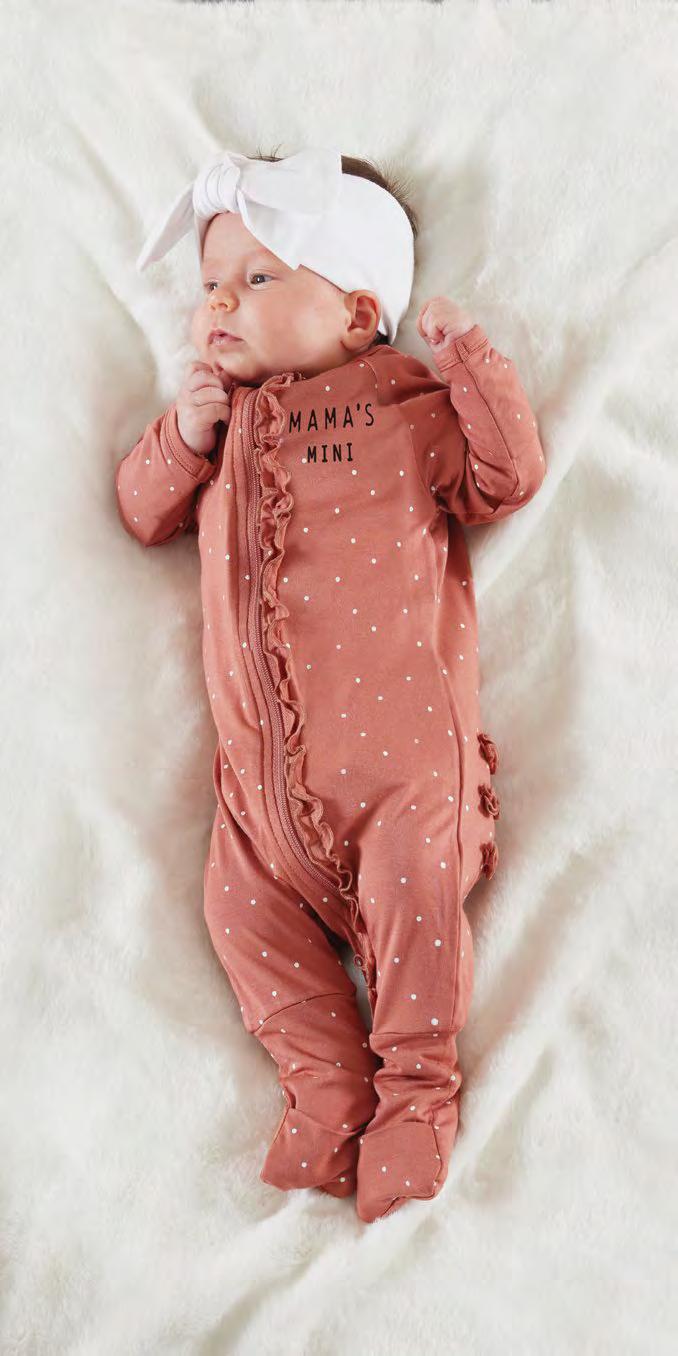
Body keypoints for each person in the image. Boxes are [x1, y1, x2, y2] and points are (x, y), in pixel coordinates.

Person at [115, 145, 546, 1223]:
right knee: (233, 910)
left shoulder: (403, 403)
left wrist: (466, 359)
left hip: (404, 778)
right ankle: (324, 1081)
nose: (220, 301)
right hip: (260, 805)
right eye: (212, 282)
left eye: (259, 277)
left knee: (416, 907)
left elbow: (506, 476)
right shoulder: (218, 424)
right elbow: (142, 511)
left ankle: (416, 1092)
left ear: (358, 314)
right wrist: (181, 437)